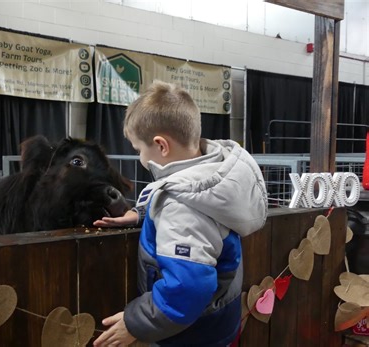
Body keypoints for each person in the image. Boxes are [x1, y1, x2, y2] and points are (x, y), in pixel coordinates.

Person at [92, 80, 268, 347]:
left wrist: (137, 323)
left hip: (189, 335)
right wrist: (143, 213)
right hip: (220, 321)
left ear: (161, 146)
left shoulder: (181, 208)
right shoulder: (214, 175)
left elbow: (188, 288)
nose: (141, 159)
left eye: (140, 150)